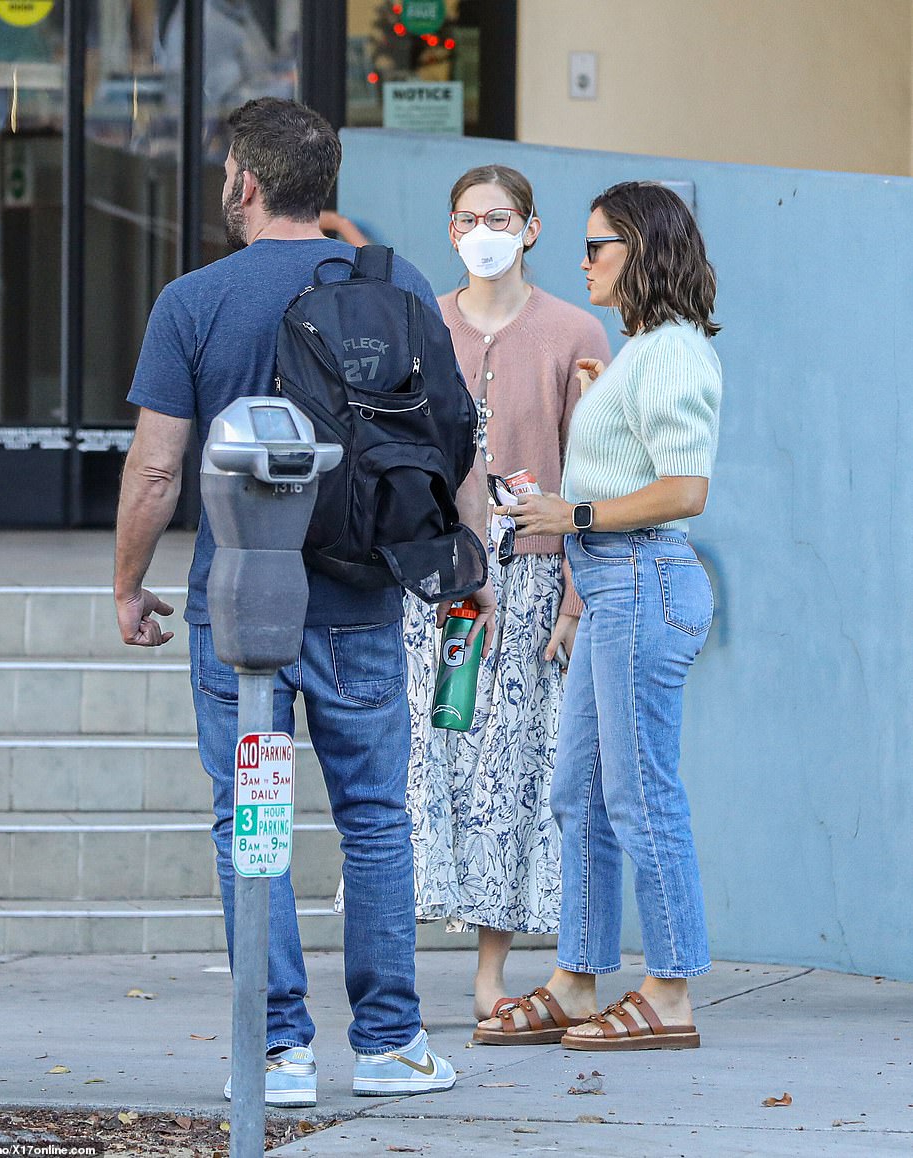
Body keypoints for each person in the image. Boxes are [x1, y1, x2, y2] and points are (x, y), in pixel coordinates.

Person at [113, 96, 495, 1106]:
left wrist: (125, 586)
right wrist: (471, 572)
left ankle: (275, 1051)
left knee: (250, 814)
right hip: (362, 601)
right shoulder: (399, 284)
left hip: (236, 607)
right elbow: (453, 438)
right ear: (324, 189)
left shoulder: (193, 301)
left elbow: (155, 472)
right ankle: (388, 1044)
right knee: (374, 818)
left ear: (244, 181)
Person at [475, 180, 722, 1050]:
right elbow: (641, 456)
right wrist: (605, 388)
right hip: (617, 587)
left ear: (642, 253)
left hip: (640, 584)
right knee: (577, 790)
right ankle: (578, 980)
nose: (581, 262)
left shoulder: (675, 350)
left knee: (640, 793)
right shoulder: (645, 350)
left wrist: (569, 515)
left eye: (597, 246)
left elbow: (685, 490)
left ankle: (672, 989)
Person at [403, 164, 610, 1021]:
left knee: (510, 768)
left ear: (529, 228)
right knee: (422, 758)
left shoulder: (574, 330)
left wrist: (571, 599)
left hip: (528, 572)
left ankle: (491, 972)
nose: (480, 231)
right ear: (449, 232)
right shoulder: (419, 323)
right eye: (464, 218)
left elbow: (590, 466)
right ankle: (395, 967)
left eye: (498, 216)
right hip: (432, 577)